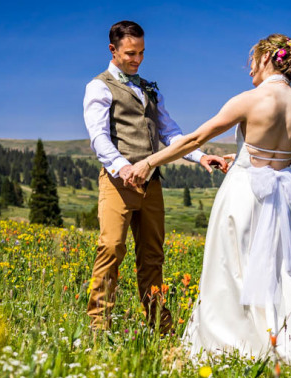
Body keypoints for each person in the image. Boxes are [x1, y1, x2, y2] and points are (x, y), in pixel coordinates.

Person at [131, 34, 291, 368]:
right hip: (283, 201)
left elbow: (195, 138)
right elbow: (275, 156)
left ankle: (234, 341)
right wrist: (244, 154)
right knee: (281, 271)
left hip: (245, 196)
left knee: (232, 268)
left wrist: (149, 162)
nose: (249, 73)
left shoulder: (250, 99)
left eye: (251, 64)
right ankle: (283, 335)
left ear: (265, 59)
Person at [83, 20, 227, 333]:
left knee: (153, 256)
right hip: (117, 184)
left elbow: (170, 132)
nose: (137, 59)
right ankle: (98, 327)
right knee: (111, 248)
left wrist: (201, 156)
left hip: (152, 185)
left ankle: (160, 328)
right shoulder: (99, 86)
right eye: (130, 53)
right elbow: (98, 137)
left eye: (142, 53)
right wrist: (122, 167)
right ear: (113, 50)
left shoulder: (151, 88)